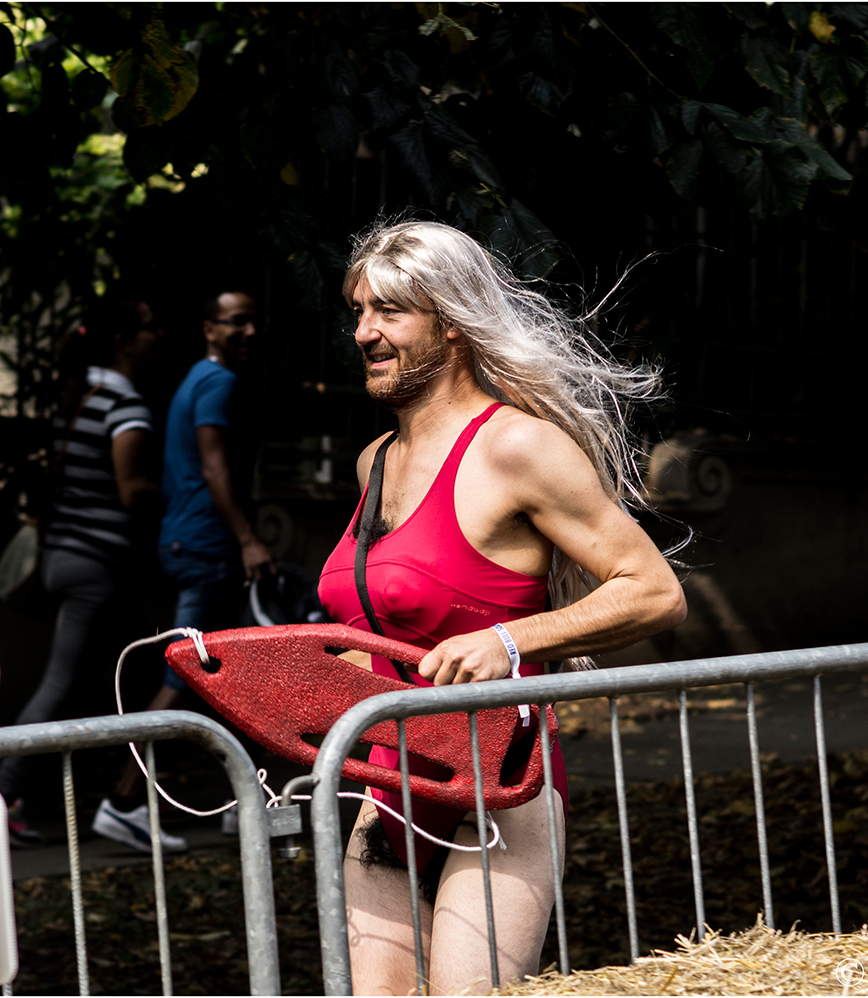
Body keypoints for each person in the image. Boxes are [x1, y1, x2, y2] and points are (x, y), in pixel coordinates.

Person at [316, 221, 687, 994]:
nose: (363, 333)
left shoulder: (517, 447)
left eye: (389, 312)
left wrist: (510, 643)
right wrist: (284, 687)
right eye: (358, 311)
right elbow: (384, 632)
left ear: (451, 322)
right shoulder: (374, 461)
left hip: (500, 782)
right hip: (386, 779)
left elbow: (652, 590)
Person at [92, 290, 276, 843]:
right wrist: (248, 539)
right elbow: (215, 467)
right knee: (185, 673)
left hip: (186, 543)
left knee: (227, 675)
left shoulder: (196, 378)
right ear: (209, 328)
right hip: (205, 547)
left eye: (253, 322)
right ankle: (124, 799)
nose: (248, 332)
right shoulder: (219, 383)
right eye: (236, 323)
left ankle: (239, 800)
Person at [1, 295, 164, 847]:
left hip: (60, 556)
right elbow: (130, 488)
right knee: (62, 682)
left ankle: (109, 794)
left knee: (120, 676)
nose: (156, 337)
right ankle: (0, 796)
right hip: (95, 564)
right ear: (123, 340)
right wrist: (183, 495)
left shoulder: (80, 396)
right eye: (147, 327)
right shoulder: (125, 405)